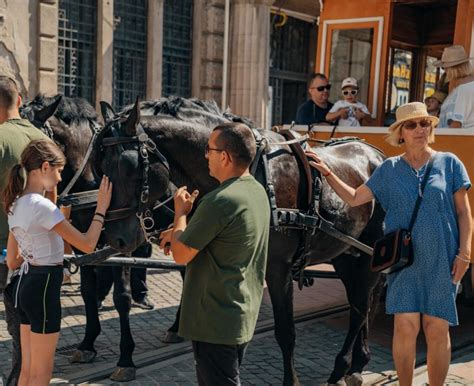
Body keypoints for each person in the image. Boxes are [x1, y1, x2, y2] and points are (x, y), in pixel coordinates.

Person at [306, 101, 472, 386]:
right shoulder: (388, 169)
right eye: (411, 125)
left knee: (436, 328)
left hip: (441, 259)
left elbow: (463, 212)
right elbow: (355, 198)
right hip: (404, 260)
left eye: (424, 124)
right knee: (405, 327)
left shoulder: (450, 163)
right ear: (400, 133)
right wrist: (329, 174)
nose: (419, 129)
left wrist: (465, 253)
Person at [158, 122, 270, 385]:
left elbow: (181, 254)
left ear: (225, 156)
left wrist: (180, 214)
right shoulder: (256, 191)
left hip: (215, 320)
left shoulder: (220, 200)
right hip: (239, 313)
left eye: (209, 149)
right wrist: (179, 232)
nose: (205, 155)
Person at [3, 139, 112, 386]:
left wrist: (49, 234)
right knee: (42, 373)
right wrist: (101, 209)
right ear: (44, 167)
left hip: (24, 286)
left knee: (27, 370)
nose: (61, 178)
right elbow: (87, 244)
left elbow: (12, 260)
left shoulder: (15, 203)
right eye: (58, 170)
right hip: (43, 288)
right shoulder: (43, 207)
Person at [0, 74, 52, 386]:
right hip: (33, 254)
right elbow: (56, 199)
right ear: (20, 101)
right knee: (24, 329)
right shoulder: (42, 140)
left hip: (3, 248)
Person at [437, 45, 474, 128]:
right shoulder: (467, 86)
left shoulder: (463, 89)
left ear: (451, 69)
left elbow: (456, 123)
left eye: (444, 68)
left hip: (457, 138)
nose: (445, 71)